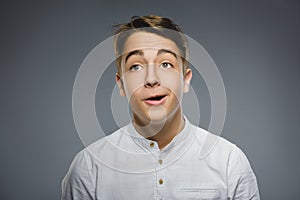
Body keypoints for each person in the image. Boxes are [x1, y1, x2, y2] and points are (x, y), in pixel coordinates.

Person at [61, 15, 260, 199]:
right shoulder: (89, 167)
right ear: (121, 85)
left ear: (186, 79)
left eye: (165, 64)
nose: (151, 79)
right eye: (136, 66)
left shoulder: (228, 162)